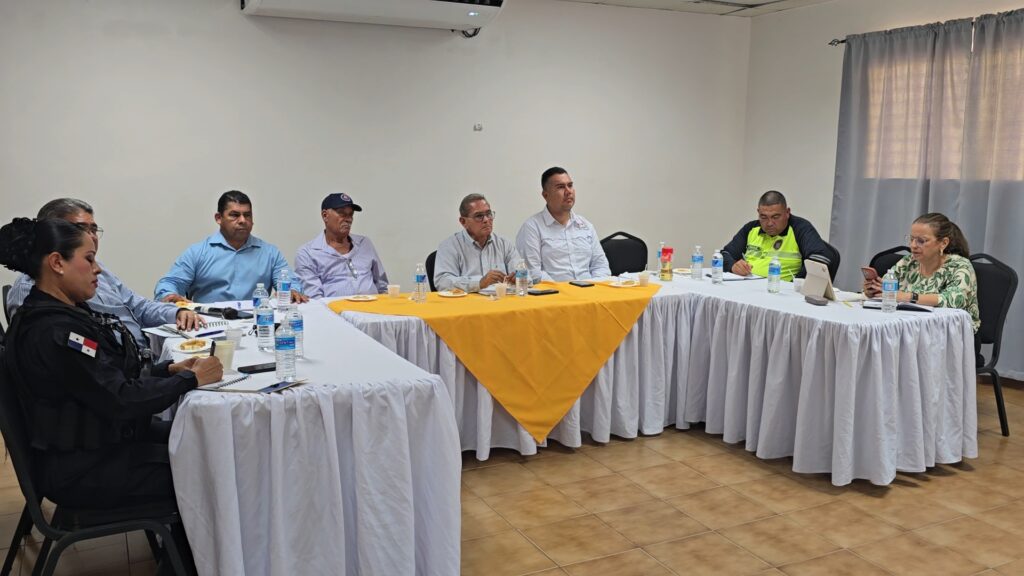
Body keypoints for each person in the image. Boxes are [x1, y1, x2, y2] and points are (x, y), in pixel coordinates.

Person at [0, 216, 223, 513]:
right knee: (209, 471)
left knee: (203, 441)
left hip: (97, 446)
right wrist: (190, 380)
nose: (98, 269)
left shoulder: (58, 313)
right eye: (89, 259)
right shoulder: (56, 332)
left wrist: (167, 370)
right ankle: (186, 544)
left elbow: (104, 378)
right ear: (57, 263)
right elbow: (121, 398)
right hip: (84, 469)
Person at [5, 199, 203, 350]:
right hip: (114, 375)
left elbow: (137, 305)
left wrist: (176, 312)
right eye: (80, 229)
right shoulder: (33, 290)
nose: (91, 236)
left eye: (93, 229)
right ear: (52, 232)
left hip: (138, 360)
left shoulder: (101, 270)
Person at [154, 190, 307, 304]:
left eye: (247, 215)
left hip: (257, 323)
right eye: (234, 215)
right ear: (218, 218)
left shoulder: (270, 253)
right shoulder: (198, 252)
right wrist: (169, 295)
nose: (242, 220)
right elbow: (169, 283)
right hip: (209, 323)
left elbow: (289, 282)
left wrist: (293, 290)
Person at [863, 212, 979, 331]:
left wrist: (907, 297)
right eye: (911, 239)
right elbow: (888, 290)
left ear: (943, 243)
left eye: (921, 241)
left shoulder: (959, 265)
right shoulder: (908, 262)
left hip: (953, 333)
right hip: (911, 326)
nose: (913, 245)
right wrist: (873, 290)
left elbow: (955, 300)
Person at [515, 167, 611, 282]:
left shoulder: (586, 226)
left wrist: (593, 287)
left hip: (590, 290)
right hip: (554, 292)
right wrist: (564, 290)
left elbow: (601, 266)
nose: (568, 191)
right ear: (545, 195)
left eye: (570, 185)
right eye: (560, 187)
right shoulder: (532, 227)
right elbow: (533, 273)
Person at [720, 190, 831, 281]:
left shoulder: (800, 228)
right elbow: (724, 254)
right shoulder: (751, 228)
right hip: (748, 287)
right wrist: (732, 266)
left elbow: (819, 259)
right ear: (758, 212)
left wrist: (795, 284)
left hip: (780, 291)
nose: (769, 223)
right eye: (763, 217)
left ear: (787, 212)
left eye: (776, 217)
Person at [294, 193, 389, 298]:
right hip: (333, 308)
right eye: (342, 214)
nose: (349, 219)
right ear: (325, 216)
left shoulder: (364, 243)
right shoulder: (308, 253)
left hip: (372, 306)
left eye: (351, 214)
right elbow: (315, 299)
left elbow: (383, 287)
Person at [434, 194, 520, 293]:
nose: (486, 220)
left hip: (501, 300)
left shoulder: (504, 244)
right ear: (463, 221)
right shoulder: (450, 246)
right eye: (479, 216)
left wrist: (518, 278)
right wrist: (479, 283)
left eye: (489, 214)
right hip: (467, 302)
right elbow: (442, 282)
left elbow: (525, 275)